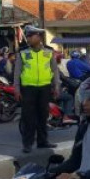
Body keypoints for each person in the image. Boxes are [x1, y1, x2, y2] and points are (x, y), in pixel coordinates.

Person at [14, 25, 61, 153]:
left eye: (30, 36)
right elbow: (17, 72)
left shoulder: (49, 51)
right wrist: (16, 89)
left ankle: (42, 141)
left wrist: (56, 86)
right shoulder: (23, 52)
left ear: (39, 37)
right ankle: (27, 144)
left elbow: (54, 70)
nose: (28, 39)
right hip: (28, 88)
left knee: (43, 115)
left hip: (45, 88)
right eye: (27, 36)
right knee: (28, 117)